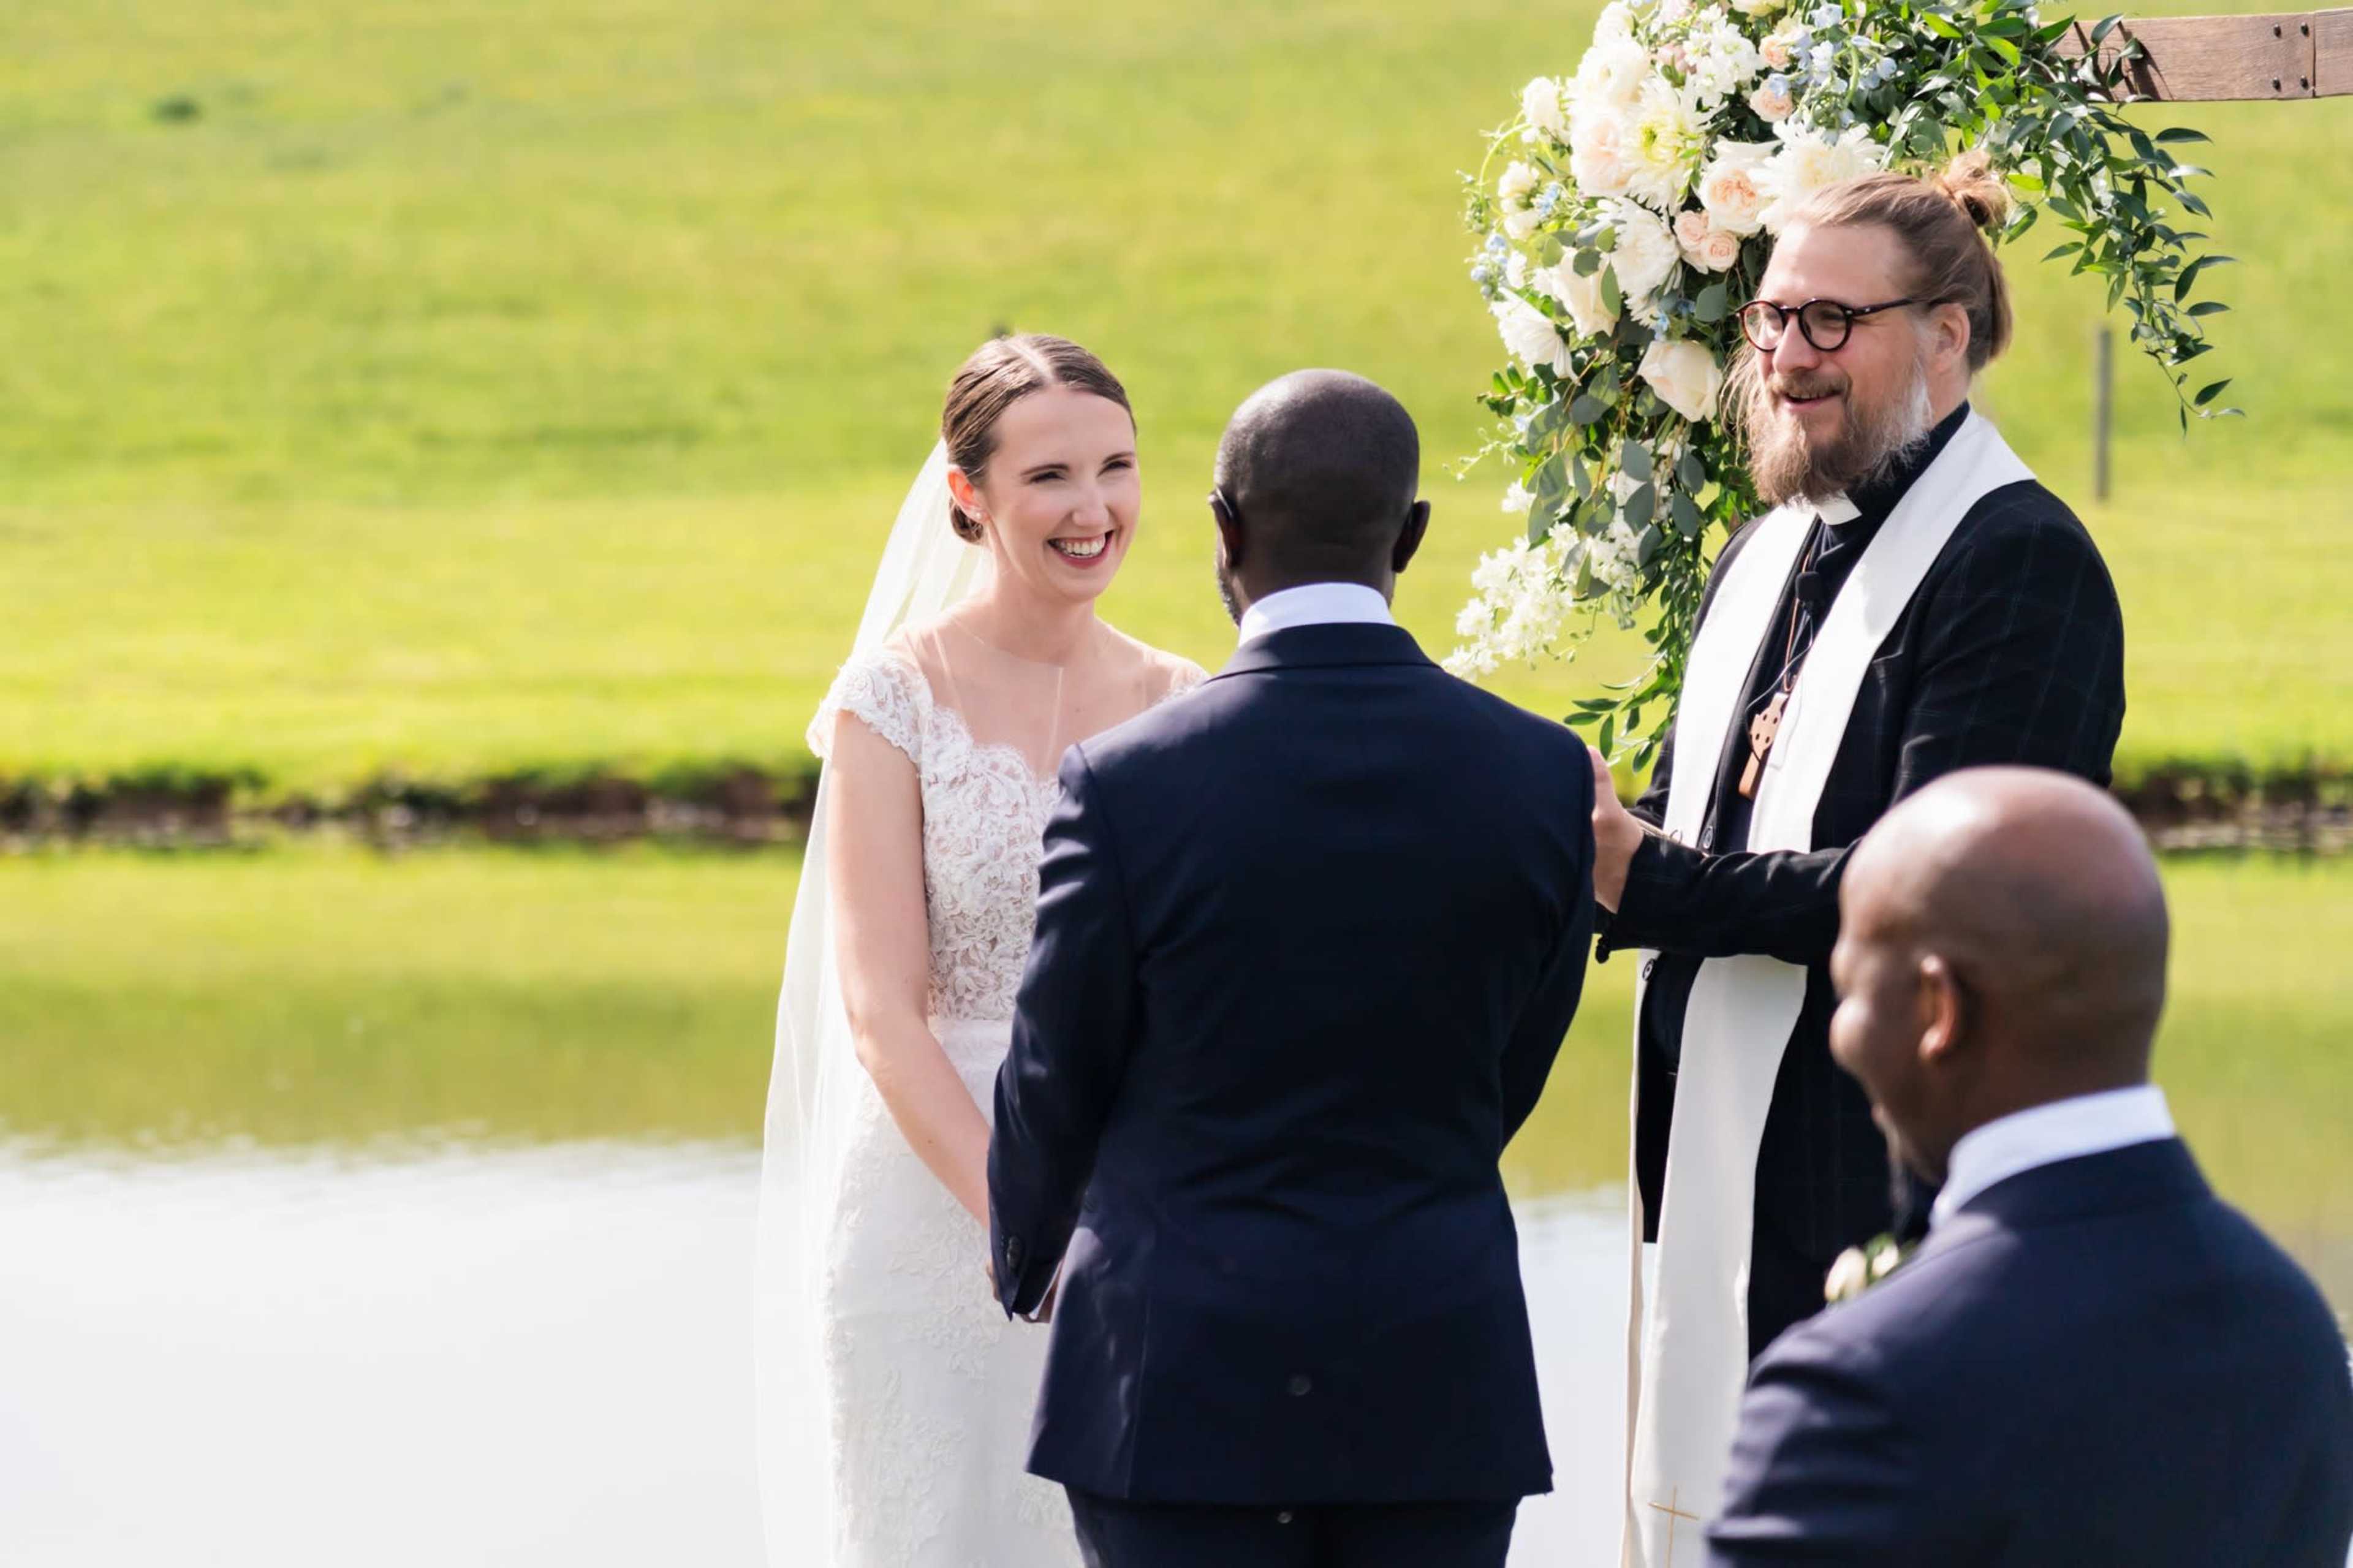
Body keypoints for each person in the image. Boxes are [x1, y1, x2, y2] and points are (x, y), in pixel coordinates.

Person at [1593, 153, 2129, 1560]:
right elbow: (1723, 811)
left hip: (1874, 1169)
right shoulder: (1764, 547)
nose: (1783, 356)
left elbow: (1938, 884)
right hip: (1711, 1157)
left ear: (1947, 333)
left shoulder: (2018, 561)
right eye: (1772, 318)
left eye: (1832, 322)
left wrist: (1645, 881)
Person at [986, 371, 1596, 1568]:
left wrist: (1024, 1257)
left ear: (1224, 527)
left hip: (1173, 1378)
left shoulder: (1124, 783)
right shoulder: (1539, 775)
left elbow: (1058, 1065)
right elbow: (1513, 1060)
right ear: (1410, 535)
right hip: (1437, 1371)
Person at [759, 333, 1207, 1567]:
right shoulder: (889, 698)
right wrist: (1028, 1222)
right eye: (1051, 476)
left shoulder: (1183, 701)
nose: (1095, 507)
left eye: (1117, 467)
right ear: (968, 495)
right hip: (925, 1203)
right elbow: (879, 1010)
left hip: (1129, 1214)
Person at [1707, 766, 2353, 1565]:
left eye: (1852, 992)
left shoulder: (1862, 1388)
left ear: (1939, 1011)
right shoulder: (2296, 1329)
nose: (1843, 1035)